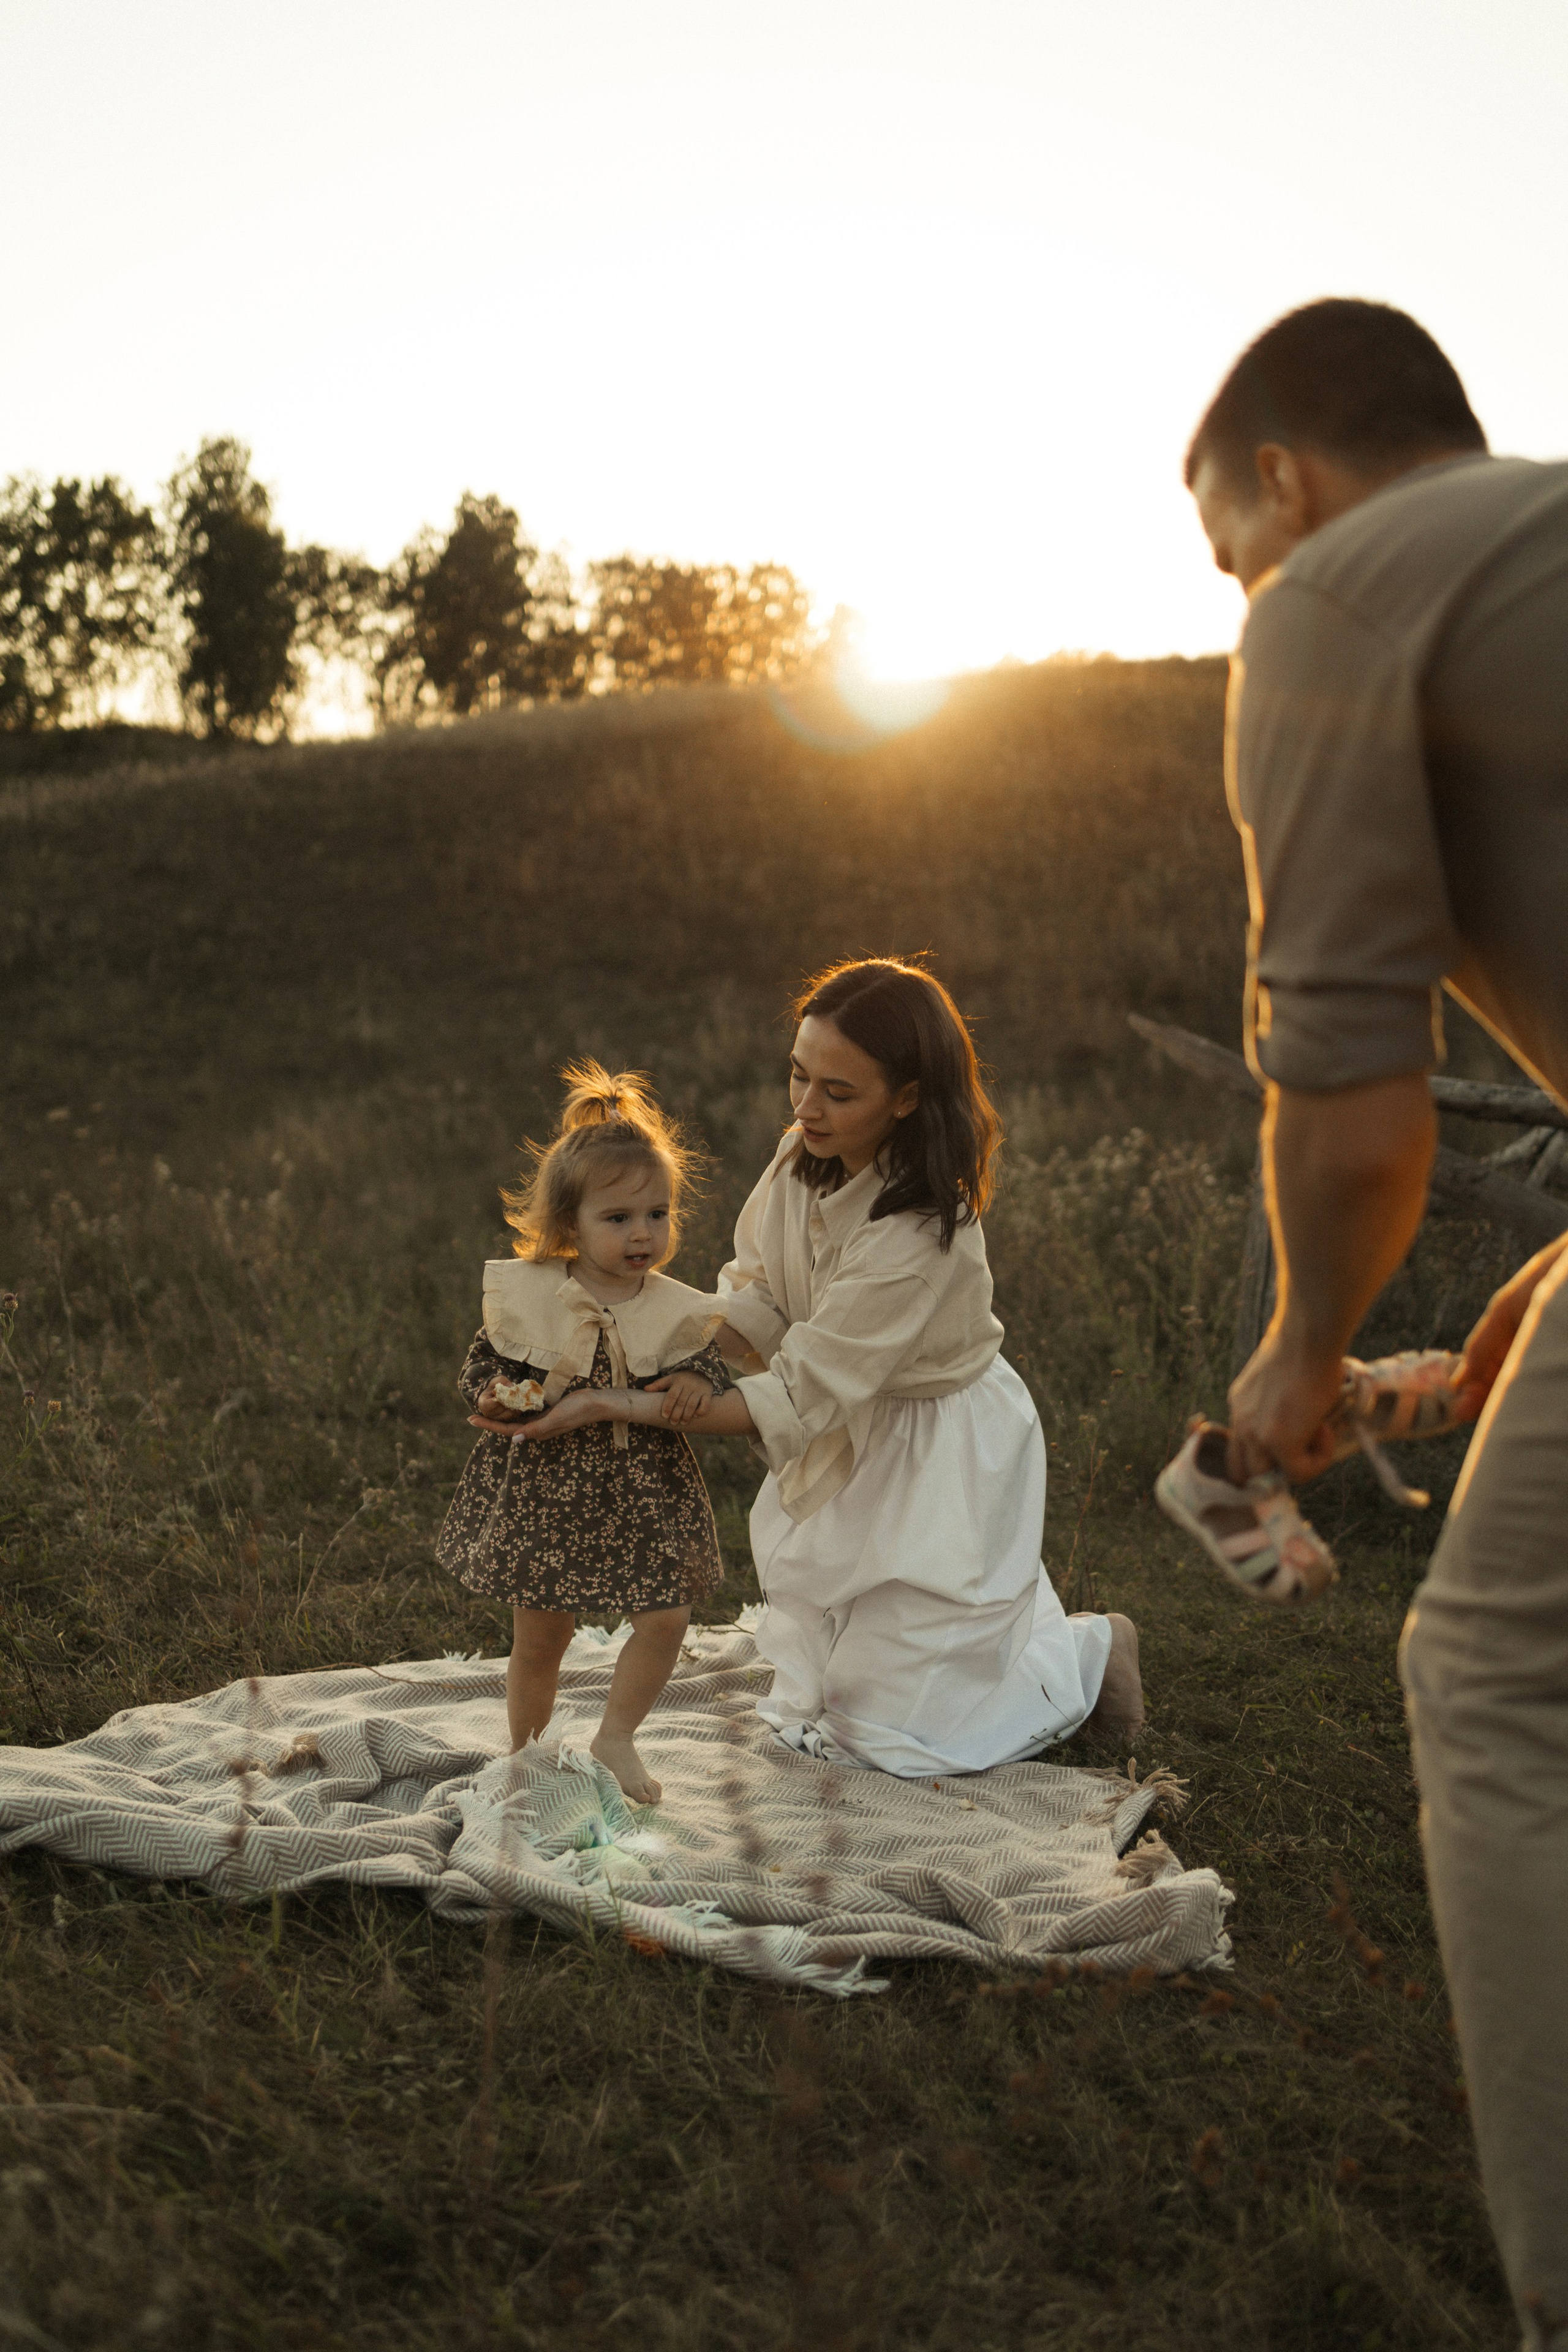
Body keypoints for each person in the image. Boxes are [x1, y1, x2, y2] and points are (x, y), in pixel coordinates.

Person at [1186, 297, 1568, 2348]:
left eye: (1225, 548)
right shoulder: (1531, 548)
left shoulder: (1334, 594)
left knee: (1499, 1679)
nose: (1239, 593)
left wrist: (1303, 1352)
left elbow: (1352, 1104)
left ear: (1284, 477)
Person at [516, 958, 1144, 1775]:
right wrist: (660, 1357)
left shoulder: (920, 1233)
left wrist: (614, 1404)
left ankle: (1092, 1652)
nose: (807, 1107)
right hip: (847, 1414)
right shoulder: (799, 1157)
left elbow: (799, 1391)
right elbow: (761, 1288)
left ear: (907, 1098)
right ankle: (928, 1658)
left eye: (838, 1092)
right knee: (826, 1681)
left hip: (934, 1444)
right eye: (799, 1076)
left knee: (895, 1739)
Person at [436, 1063, 731, 1805]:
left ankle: (616, 1736)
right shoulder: (534, 1295)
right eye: (619, 1218)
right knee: (543, 1636)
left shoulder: (673, 1307)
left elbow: (703, 1366)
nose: (643, 1233)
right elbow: (483, 1363)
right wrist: (494, 1395)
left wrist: (697, 1383)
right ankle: (528, 1753)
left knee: (666, 1615)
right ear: (570, 1225)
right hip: (548, 1489)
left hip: (644, 1487)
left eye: (658, 1214)